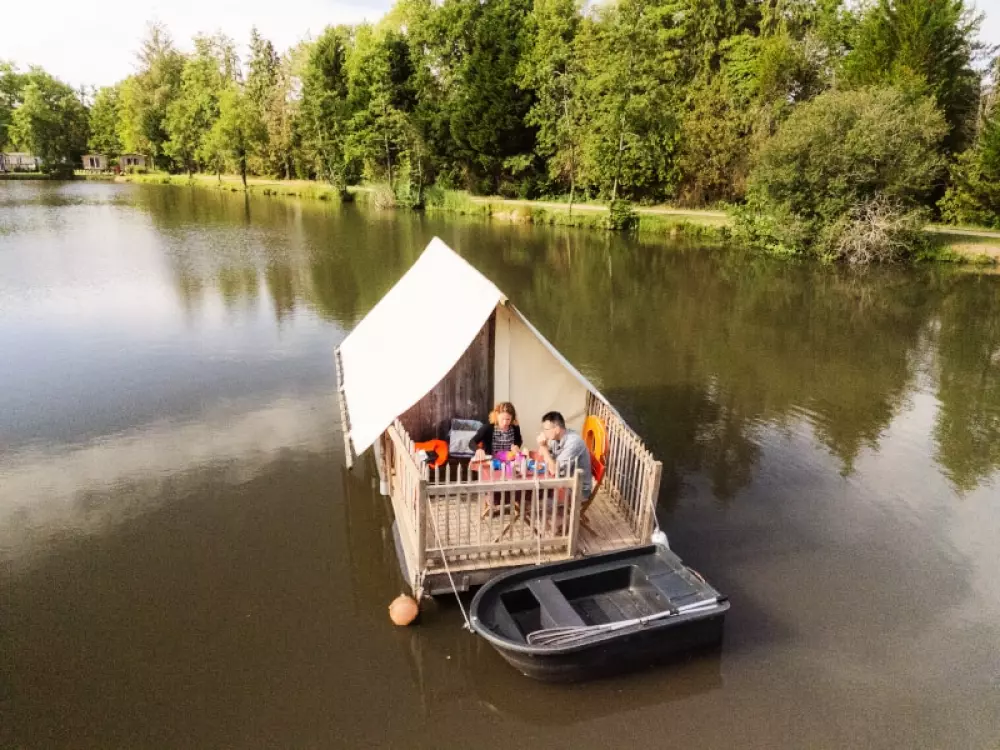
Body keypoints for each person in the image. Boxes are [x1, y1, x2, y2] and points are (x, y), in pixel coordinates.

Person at [536, 411, 592, 498]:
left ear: (557, 429)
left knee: (538, 497)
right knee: (537, 492)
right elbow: (541, 455)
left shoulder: (573, 442)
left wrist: (543, 447)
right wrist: (543, 445)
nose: (544, 432)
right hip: (565, 481)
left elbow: (554, 470)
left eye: (546, 429)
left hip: (577, 490)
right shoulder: (556, 438)